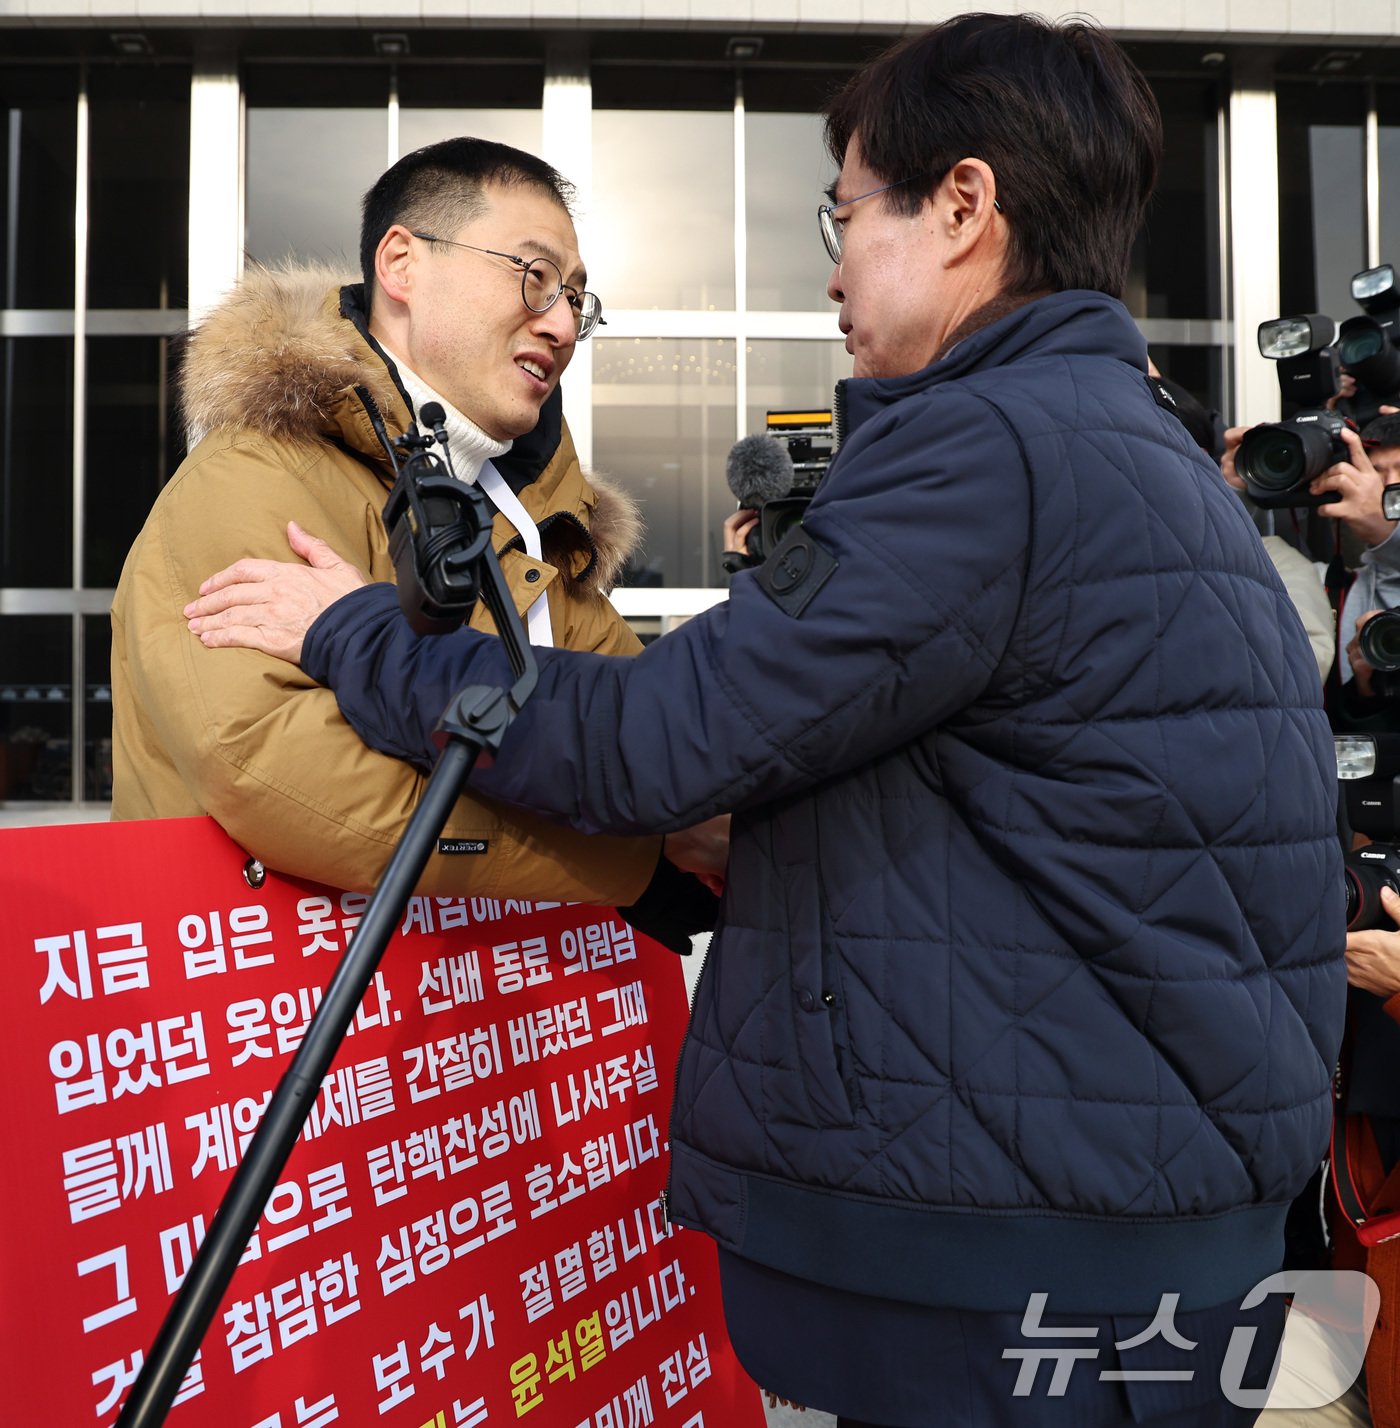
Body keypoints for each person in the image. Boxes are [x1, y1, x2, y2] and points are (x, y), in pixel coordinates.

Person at [185, 18, 1346, 1426]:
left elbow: (657, 740)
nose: (834, 260)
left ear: (965, 206)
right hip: (1142, 1225)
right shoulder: (1141, 440)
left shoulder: (990, 447)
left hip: (1011, 1262)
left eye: (847, 213)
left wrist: (349, 634)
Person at [111, 137, 722, 933]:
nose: (564, 325)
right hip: (281, 1019)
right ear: (400, 263)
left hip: (470, 1023)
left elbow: (648, 735)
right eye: (535, 278)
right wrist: (631, 858)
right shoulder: (257, 472)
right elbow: (274, 771)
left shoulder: (528, 521)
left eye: (578, 298)